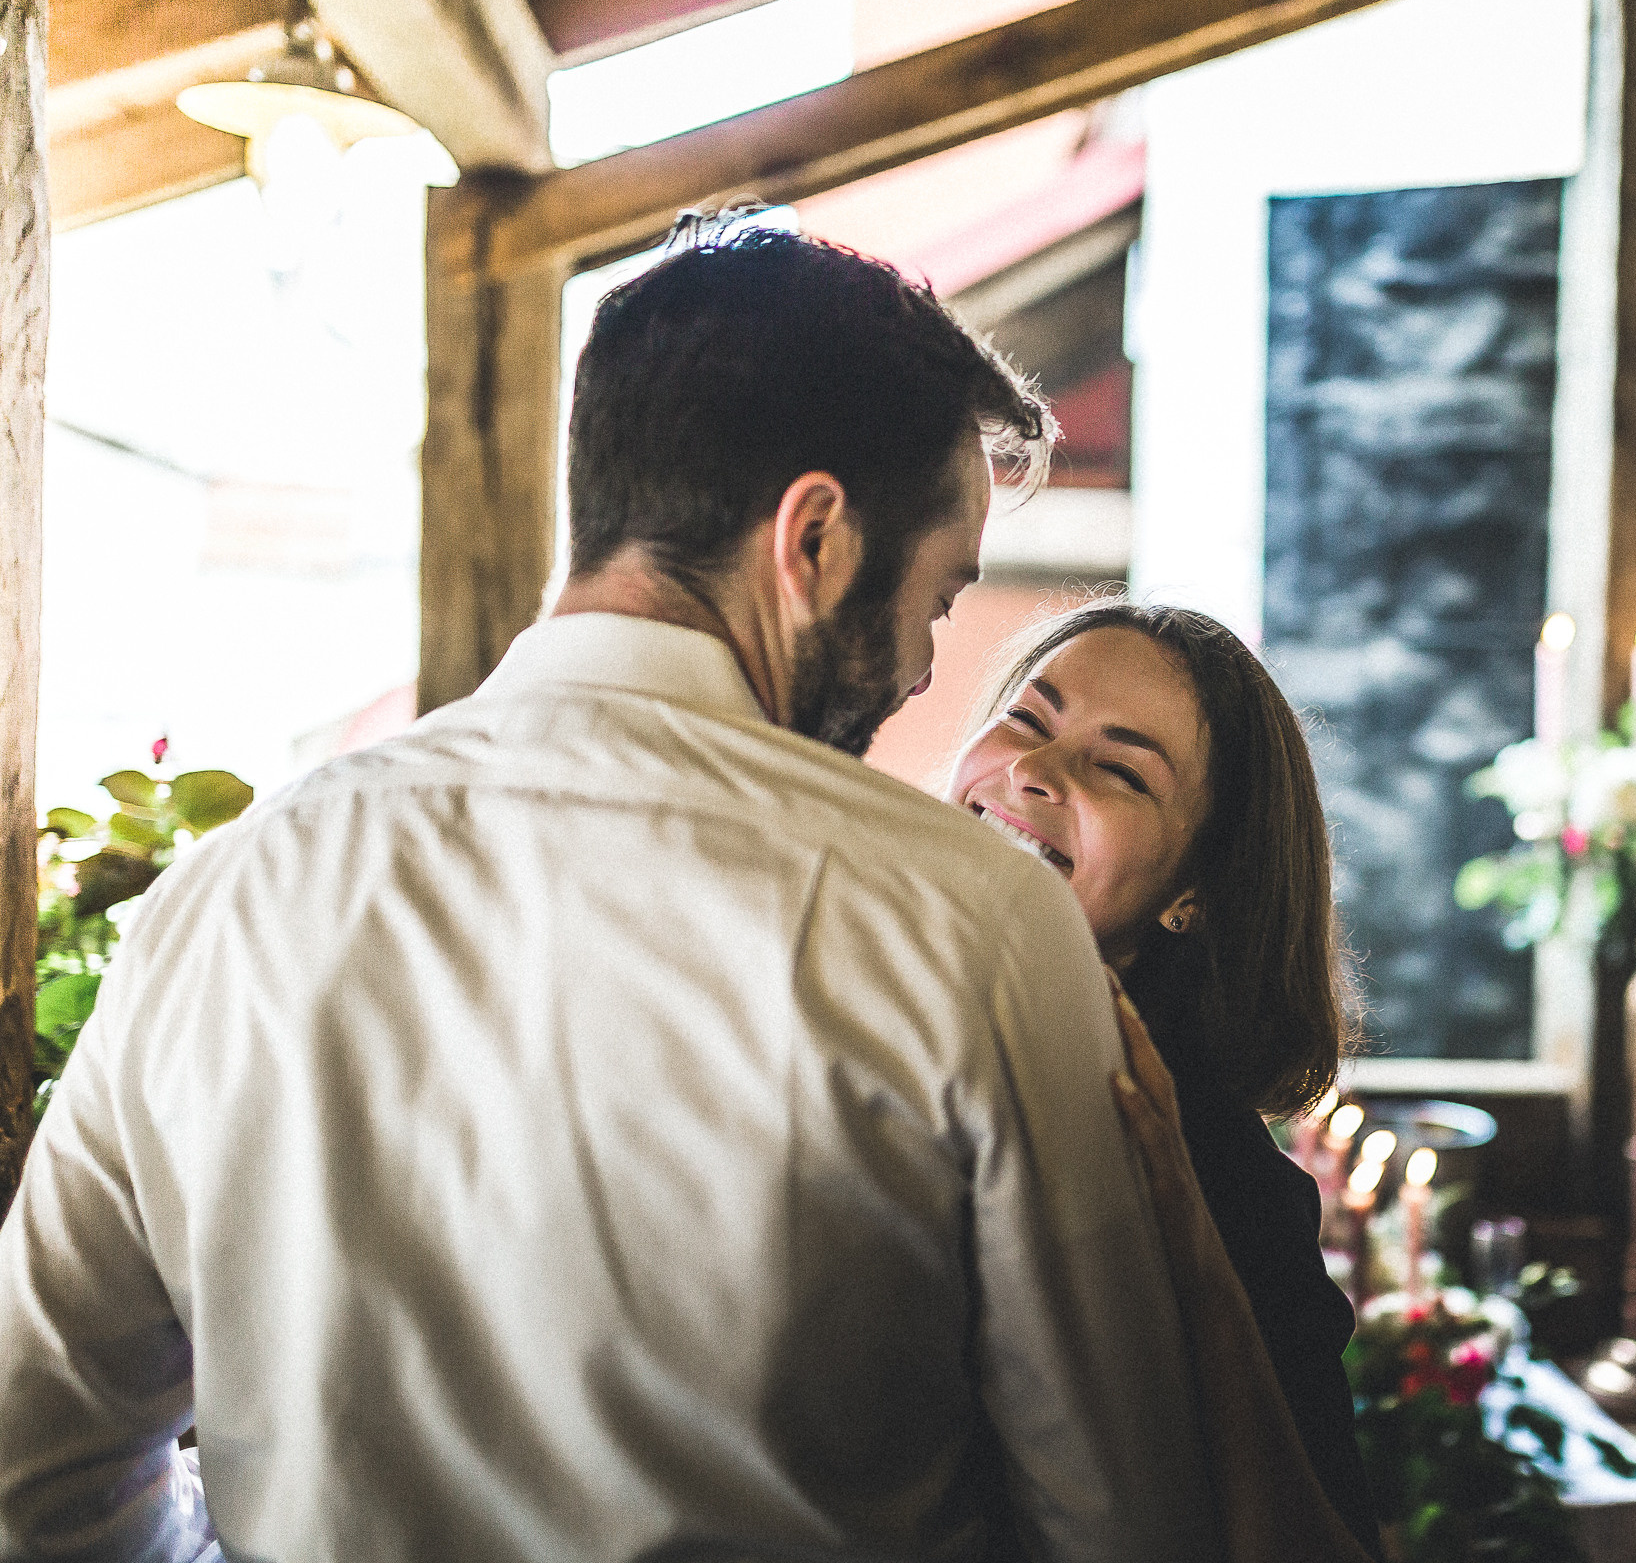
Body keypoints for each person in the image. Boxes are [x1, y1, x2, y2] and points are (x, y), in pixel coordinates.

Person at [0, 225, 1218, 1563]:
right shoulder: (971, 928)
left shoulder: (222, 901)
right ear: (811, 540)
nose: (928, 667)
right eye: (935, 598)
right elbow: (1130, 1527)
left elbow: (35, 1479)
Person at [947, 603, 1383, 1561]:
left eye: (1118, 768)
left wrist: (1193, 1260)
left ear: (1194, 894)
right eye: (1027, 719)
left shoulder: (1217, 1173)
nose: (1032, 771)